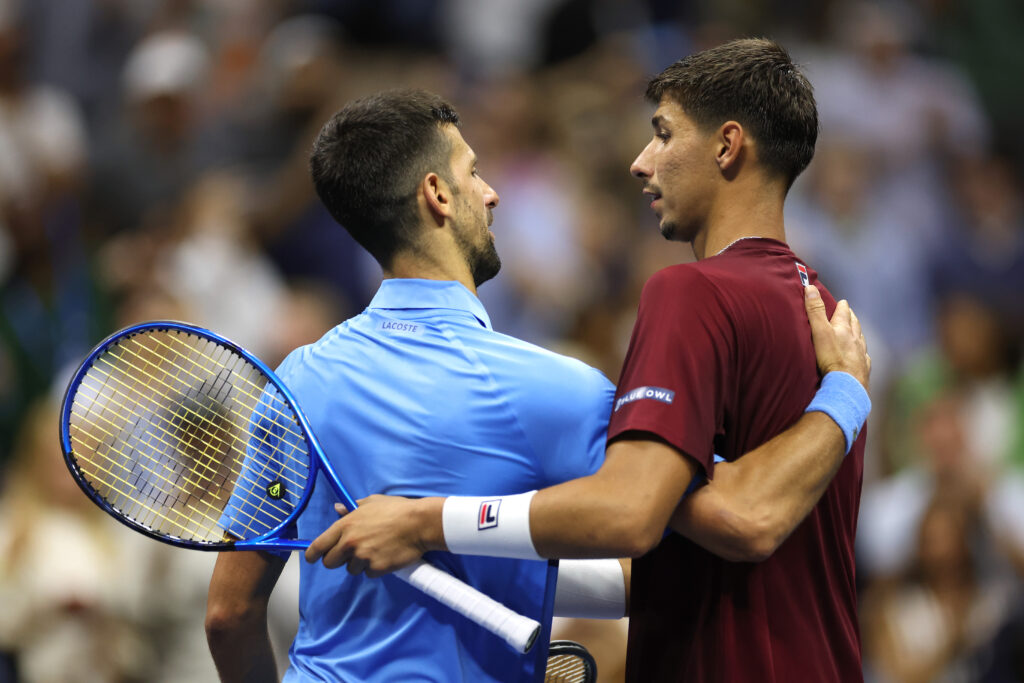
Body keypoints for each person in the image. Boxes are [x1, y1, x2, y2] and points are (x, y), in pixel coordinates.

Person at [306, 39, 871, 682]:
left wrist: (422, 520)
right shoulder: (827, 318)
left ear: (727, 145)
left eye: (663, 133)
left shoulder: (689, 291)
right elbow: (705, 558)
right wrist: (847, 396)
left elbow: (681, 515)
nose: (640, 162)